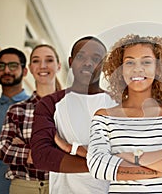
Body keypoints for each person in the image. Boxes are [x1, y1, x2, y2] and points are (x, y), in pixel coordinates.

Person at [86, 34, 162, 193]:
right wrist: (161, 166)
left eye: (146, 62)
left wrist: (129, 156)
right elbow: (98, 165)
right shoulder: (104, 117)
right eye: (129, 62)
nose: (137, 68)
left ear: (158, 68)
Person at [30, 36, 116, 194]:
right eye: (80, 57)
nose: (88, 63)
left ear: (104, 65)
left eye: (96, 58)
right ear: (70, 62)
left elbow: (126, 153)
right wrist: (103, 165)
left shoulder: (118, 105)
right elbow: (41, 155)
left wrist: (69, 150)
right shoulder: (50, 103)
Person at [0, 44, 61, 194]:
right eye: (36, 61)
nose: (42, 66)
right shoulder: (17, 110)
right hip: (24, 186)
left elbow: (77, 149)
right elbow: (5, 149)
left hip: (60, 185)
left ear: (58, 66)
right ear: (30, 68)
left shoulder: (70, 107)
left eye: (49, 60)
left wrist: (25, 149)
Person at [0, 47, 29, 194]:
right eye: (1, 66)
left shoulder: (38, 106)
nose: (6, 70)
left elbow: (41, 151)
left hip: (28, 187)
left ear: (25, 71)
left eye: (13, 65)